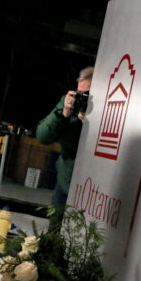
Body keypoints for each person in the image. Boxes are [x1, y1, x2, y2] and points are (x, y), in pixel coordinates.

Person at [35, 66, 93, 226]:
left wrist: (88, 121)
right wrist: (65, 113)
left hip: (92, 188)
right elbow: (42, 136)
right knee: (55, 231)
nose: (82, 99)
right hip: (66, 180)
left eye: (87, 95)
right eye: (80, 93)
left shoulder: (106, 110)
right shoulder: (70, 104)